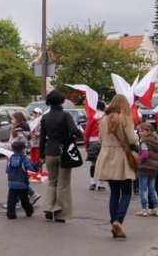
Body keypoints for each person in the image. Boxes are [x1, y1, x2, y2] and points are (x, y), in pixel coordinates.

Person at [95, 94, 138, 239]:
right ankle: (118, 220)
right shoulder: (125, 118)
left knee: (114, 193)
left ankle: (113, 222)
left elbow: (100, 139)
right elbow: (132, 139)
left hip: (106, 155)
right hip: (121, 156)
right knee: (126, 192)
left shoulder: (103, 119)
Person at [39, 90, 82, 223]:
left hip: (50, 151)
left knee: (52, 181)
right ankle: (60, 214)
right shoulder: (65, 115)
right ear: (62, 101)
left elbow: (42, 138)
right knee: (63, 184)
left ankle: (48, 207)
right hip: (64, 152)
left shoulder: (45, 117)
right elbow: (75, 131)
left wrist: (41, 155)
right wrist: (79, 135)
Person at [135, 122, 158, 217]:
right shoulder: (156, 142)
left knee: (143, 189)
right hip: (154, 167)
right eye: (139, 131)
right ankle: (156, 208)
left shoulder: (144, 142)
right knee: (152, 188)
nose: (140, 133)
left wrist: (140, 161)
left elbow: (145, 154)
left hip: (144, 167)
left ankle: (144, 209)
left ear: (148, 131)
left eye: (142, 131)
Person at [6, 140, 36, 219]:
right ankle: (29, 211)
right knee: (24, 200)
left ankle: (11, 214)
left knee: (11, 200)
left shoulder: (10, 159)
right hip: (22, 183)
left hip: (11, 183)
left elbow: (7, 170)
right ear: (23, 149)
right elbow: (30, 169)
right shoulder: (25, 159)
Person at [84, 101, 106, 191]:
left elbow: (87, 132)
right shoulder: (106, 117)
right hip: (103, 141)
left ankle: (93, 183)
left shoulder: (92, 117)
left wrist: (86, 144)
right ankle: (100, 184)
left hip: (93, 141)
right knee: (102, 163)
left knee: (93, 163)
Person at [29, 107, 43, 172]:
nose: (34, 114)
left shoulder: (41, 122)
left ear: (40, 114)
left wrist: (34, 133)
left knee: (38, 159)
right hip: (32, 143)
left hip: (38, 143)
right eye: (34, 113)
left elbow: (42, 132)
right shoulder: (31, 121)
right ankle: (34, 173)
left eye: (36, 113)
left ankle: (39, 173)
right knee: (32, 159)